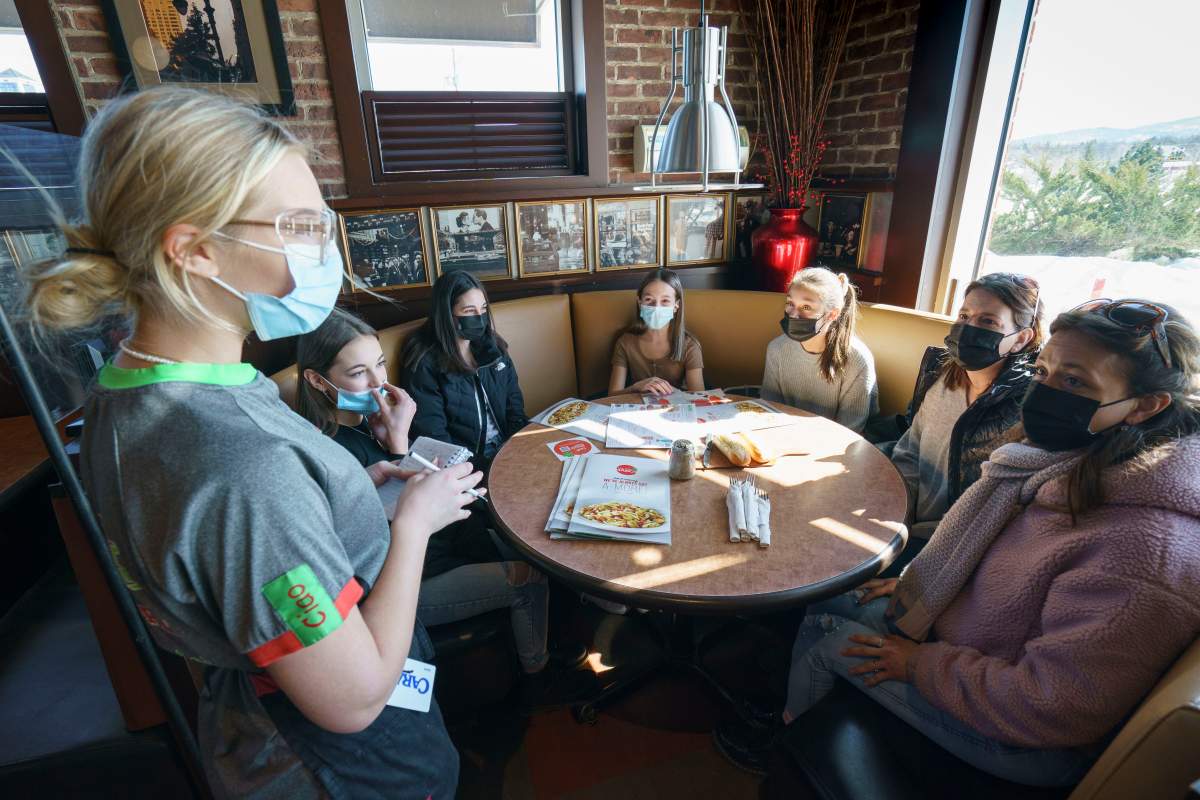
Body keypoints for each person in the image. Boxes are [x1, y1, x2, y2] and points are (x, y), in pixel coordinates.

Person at [23, 87, 477, 797]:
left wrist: (356, 496)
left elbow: (234, 551)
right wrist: (416, 527)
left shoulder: (127, 387)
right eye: (299, 225)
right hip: (335, 760)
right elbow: (352, 699)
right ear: (197, 251)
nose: (325, 246)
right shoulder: (245, 464)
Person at [719, 299, 1200, 786]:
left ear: (1146, 406)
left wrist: (921, 666)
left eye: (1075, 382)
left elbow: (1055, 706)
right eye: (1043, 371)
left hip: (1028, 739)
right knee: (837, 597)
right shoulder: (1058, 463)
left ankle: (786, 751)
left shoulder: (1144, 550)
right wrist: (918, 581)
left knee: (828, 639)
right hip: (977, 646)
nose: (1044, 392)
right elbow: (1001, 564)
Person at [296, 310, 562, 682]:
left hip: (441, 551)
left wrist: (397, 442)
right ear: (317, 380)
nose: (378, 383)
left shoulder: (371, 427)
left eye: (380, 365)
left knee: (532, 541)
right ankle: (538, 671)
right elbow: (382, 537)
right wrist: (400, 447)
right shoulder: (330, 451)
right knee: (530, 577)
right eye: (358, 374)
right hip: (404, 588)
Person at [889, 273, 1043, 557]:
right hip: (905, 525)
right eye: (964, 315)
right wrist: (898, 514)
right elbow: (910, 449)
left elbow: (1004, 516)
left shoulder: (1027, 412)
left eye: (988, 321)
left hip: (955, 549)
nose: (968, 327)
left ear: (1021, 339)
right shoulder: (942, 378)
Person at [400, 270, 527, 468]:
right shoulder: (423, 362)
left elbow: (514, 405)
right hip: (465, 461)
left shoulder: (493, 347)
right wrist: (476, 466)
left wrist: (519, 447)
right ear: (446, 314)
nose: (479, 318)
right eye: (469, 311)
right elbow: (434, 435)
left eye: (483, 309)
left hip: (506, 445)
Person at [761, 267, 878, 433]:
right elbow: (768, 412)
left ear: (832, 314)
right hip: (785, 441)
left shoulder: (857, 360)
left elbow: (849, 432)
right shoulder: (777, 349)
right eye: (790, 304)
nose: (794, 315)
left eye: (806, 307)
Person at [607, 268, 705, 396]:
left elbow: (700, 397)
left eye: (665, 301)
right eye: (649, 300)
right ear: (639, 302)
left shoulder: (690, 346)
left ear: (676, 306)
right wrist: (636, 387)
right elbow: (612, 395)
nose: (656, 307)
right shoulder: (625, 342)